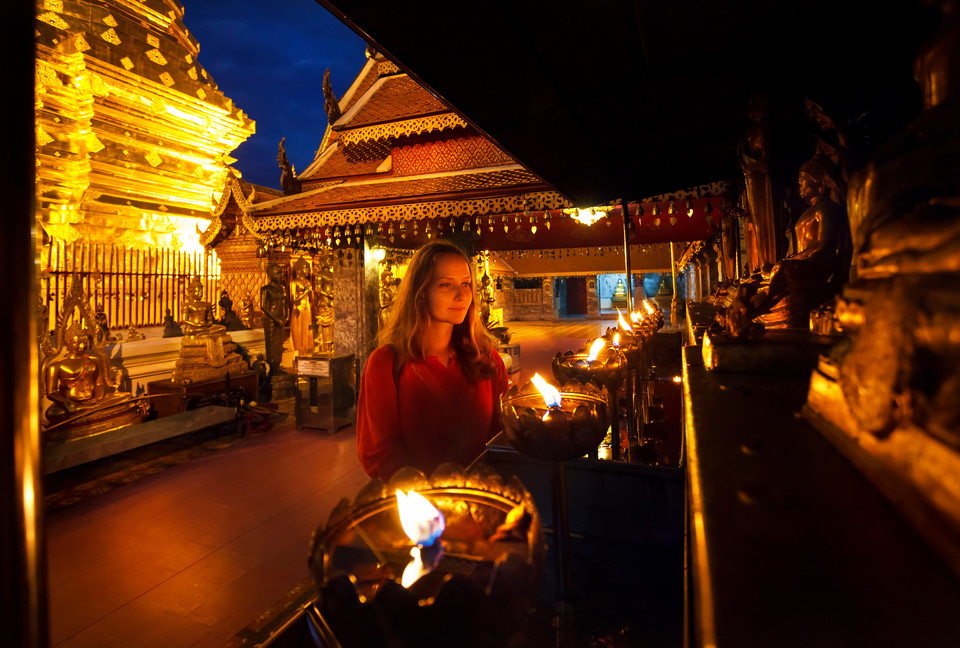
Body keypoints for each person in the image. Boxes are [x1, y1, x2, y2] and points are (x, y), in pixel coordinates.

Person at [357, 240, 509, 482]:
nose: (461, 295)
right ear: (420, 292)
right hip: (420, 507)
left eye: (466, 284)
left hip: (481, 498)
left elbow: (501, 433)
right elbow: (380, 452)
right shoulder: (386, 364)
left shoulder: (486, 359)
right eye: (446, 285)